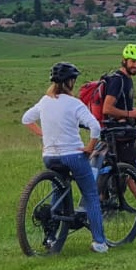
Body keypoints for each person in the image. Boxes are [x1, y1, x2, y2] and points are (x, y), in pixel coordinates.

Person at [21, 61, 110, 254]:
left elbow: (26, 119)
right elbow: (95, 127)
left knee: (57, 190)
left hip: (50, 156)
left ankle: (51, 237)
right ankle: (99, 242)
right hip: (73, 155)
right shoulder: (74, 103)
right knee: (91, 195)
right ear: (70, 82)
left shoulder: (44, 101)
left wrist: (44, 135)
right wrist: (89, 147)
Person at [100, 43, 136, 211]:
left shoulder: (126, 80)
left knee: (112, 169)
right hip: (119, 133)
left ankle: (107, 205)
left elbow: (121, 108)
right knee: (132, 169)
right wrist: (132, 114)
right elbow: (107, 109)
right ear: (124, 60)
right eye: (133, 61)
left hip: (118, 130)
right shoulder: (118, 80)